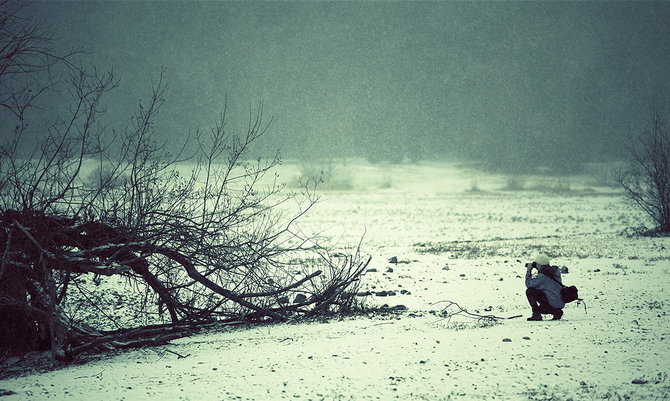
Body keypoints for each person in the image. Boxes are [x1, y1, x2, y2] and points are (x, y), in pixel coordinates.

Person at [524, 253, 564, 321]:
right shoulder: (555, 271)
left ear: (539, 265)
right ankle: (556, 312)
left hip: (551, 304)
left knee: (530, 291)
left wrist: (529, 271)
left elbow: (528, 284)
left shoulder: (542, 277)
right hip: (560, 304)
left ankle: (536, 315)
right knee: (544, 291)